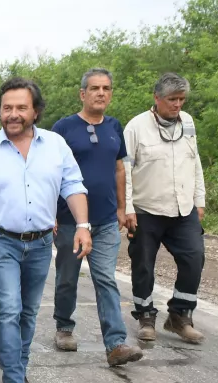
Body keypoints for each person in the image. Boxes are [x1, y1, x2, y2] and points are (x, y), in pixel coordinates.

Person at [0, 77, 92, 383]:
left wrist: (84, 226)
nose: (13, 114)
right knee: (8, 310)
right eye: (7, 108)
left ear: (35, 111)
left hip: (42, 242)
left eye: (21, 108)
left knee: (28, 313)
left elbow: (73, 185)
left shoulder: (56, 146)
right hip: (0, 240)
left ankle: (18, 369)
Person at [50, 68, 144, 366]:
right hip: (69, 221)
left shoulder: (114, 127)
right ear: (82, 94)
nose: (101, 93)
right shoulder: (63, 128)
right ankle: (64, 326)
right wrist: (50, 212)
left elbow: (119, 169)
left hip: (105, 221)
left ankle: (115, 344)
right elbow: (50, 172)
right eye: (94, 88)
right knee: (68, 277)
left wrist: (122, 207)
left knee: (106, 279)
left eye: (106, 88)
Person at [123, 72, 207, 344]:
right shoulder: (136, 127)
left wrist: (199, 200)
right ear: (157, 98)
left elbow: (194, 162)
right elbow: (123, 169)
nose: (177, 105)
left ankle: (180, 315)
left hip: (183, 209)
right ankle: (146, 317)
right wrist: (126, 208)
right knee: (143, 265)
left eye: (181, 99)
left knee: (194, 258)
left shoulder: (188, 123)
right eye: (172, 99)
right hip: (146, 209)